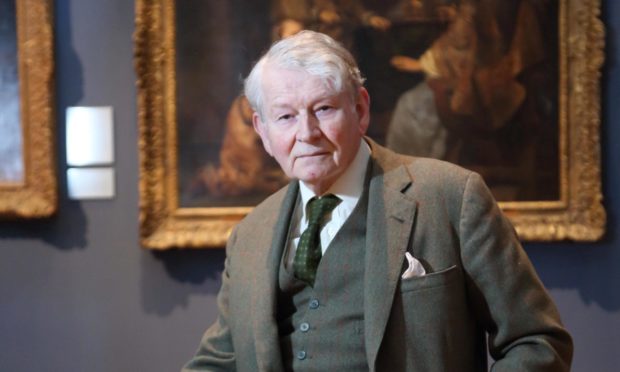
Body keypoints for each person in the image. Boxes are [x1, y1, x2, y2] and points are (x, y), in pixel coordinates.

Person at [182, 30, 572, 371]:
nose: (307, 133)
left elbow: (536, 341)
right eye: (285, 117)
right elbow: (220, 362)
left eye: (324, 109)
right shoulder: (250, 234)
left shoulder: (450, 195)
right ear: (261, 131)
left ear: (361, 109)